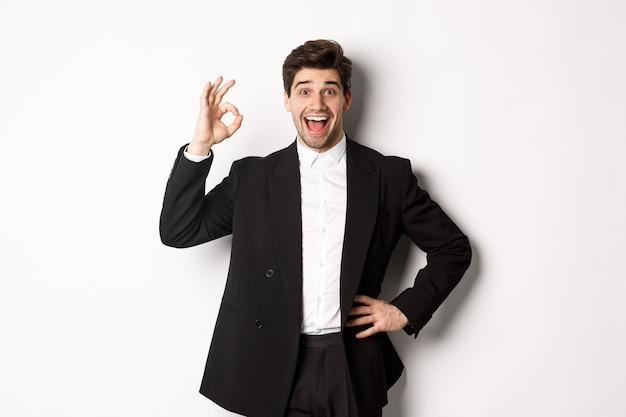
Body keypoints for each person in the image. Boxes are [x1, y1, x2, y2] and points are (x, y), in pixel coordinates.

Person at [160, 39, 471, 417]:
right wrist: (200, 145)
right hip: (270, 365)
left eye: (330, 91)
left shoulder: (388, 176)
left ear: (347, 100)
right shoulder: (252, 177)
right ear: (288, 100)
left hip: (351, 365)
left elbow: (453, 248)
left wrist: (403, 310)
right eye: (304, 91)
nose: (317, 104)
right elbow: (178, 230)